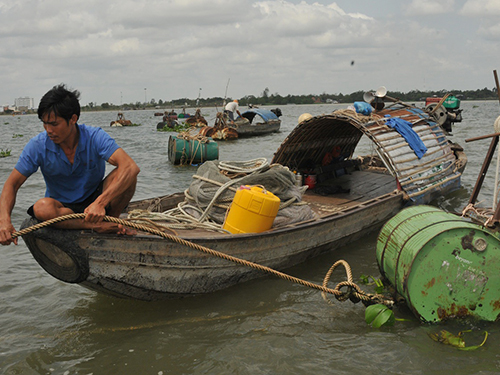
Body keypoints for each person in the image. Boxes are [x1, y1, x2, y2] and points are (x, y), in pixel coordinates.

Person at [0, 84, 140, 246]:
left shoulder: (94, 137)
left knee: (128, 175)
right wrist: (4, 221)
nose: (48, 130)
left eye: (54, 124)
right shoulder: (38, 145)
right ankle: (96, 225)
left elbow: (130, 167)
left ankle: (112, 221)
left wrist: (100, 203)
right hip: (63, 210)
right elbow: (12, 184)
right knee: (42, 208)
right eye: (44, 123)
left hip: (95, 199)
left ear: (73, 119)